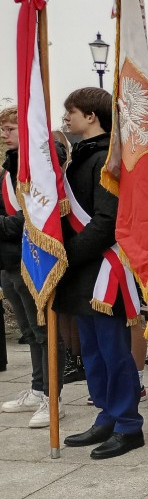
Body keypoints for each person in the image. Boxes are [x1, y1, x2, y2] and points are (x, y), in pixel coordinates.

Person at [58, 88, 144, 459]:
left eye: (71, 112)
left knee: (113, 352)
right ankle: (107, 415)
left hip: (102, 268)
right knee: (91, 351)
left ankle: (128, 424)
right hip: (81, 269)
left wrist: (69, 255)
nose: (66, 119)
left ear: (92, 116)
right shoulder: (80, 158)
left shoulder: (108, 159)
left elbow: (108, 221)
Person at [0, 104, 63, 427]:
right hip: (8, 262)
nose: (4, 135)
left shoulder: (36, 167)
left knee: (43, 331)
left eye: (10, 129)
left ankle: (53, 395)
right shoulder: (9, 169)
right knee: (28, 331)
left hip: (31, 257)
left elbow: (30, 219)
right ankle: (37, 388)